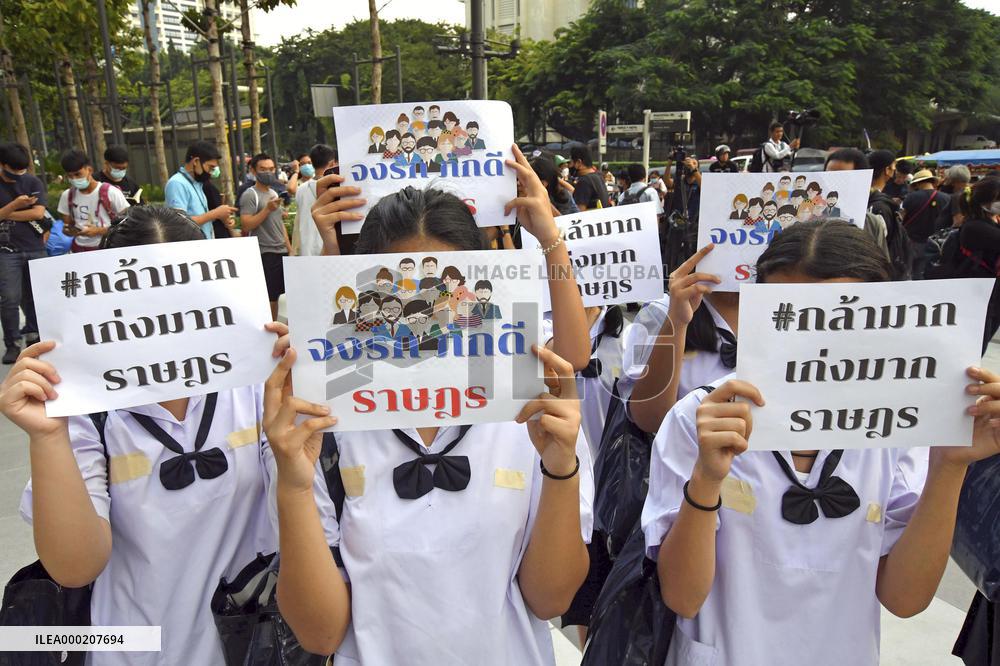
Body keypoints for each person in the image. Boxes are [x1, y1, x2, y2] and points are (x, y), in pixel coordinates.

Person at [274, 145, 593, 663]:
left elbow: (550, 598)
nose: (425, 315)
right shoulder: (323, 425)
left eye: (443, 290)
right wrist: (291, 484)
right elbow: (320, 634)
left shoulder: (532, 414)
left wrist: (561, 470)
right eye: (405, 295)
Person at [643, 218, 1000, 666]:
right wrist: (707, 479)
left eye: (841, 319)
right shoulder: (704, 418)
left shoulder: (897, 428)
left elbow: (905, 599)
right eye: (797, 318)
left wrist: (950, 466)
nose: (817, 343)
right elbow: (682, 595)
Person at [0, 205, 298, 665]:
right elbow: (75, 566)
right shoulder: (85, 408)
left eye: (186, 303)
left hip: (250, 644)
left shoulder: (254, 382)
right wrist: (46, 437)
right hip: (128, 648)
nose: (166, 326)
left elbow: (303, 518)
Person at [0, 142, 48, 364]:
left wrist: (5, 213)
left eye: (23, 169)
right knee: (10, 298)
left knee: (36, 297)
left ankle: (34, 336)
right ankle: (12, 343)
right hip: (6, 251)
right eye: (15, 170)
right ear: (3, 165)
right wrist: (17, 204)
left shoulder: (33, 181)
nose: (20, 174)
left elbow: (38, 213)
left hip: (35, 247)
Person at [239, 153, 292, 319]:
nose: (267, 173)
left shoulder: (274, 194)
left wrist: (289, 248)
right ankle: (271, 333)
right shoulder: (250, 194)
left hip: (281, 250)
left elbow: (279, 225)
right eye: (263, 169)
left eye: (271, 169)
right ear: (253, 170)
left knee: (283, 294)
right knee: (271, 297)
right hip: (266, 251)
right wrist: (267, 209)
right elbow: (246, 225)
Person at [956, 176, 1000, 350]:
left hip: (989, 296)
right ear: (986, 202)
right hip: (977, 297)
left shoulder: (988, 223)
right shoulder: (975, 227)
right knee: (973, 348)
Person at [56, 150, 129, 253]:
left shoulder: (111, 192)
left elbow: (128, 224)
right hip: (79, 251)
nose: (74, 179)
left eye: (78, 174)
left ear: (89, 170)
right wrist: (68, 231)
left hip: (108, 249)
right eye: (70, 176)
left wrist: (99, 231)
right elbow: (67, 225)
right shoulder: (67, 196)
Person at [165, 141, 236, 239]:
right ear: (195, 161)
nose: (211, 173)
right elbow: (179, 222)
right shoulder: (177, 183)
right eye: (210, 167)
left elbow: (199, 217)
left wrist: (222, 217)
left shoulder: (197, 183)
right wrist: (215, 213)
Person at [901, 169, 949, 279]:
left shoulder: (911, 197)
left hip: (912, 241)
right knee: (923, 274)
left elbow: (902, 218)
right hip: (934, 244)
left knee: (907, 272)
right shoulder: (946, 198)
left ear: (917, 183)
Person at [292, 144, 337, 257]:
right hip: (330, 248)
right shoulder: (337, 187)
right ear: (332, 163)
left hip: (306, 248)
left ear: (312, 163)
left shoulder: (301, 189)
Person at [570, 146, 610, 211]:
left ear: (578, 162)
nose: (570, 166)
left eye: (571, 162)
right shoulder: (598, 176)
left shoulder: (584, 181)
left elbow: (579, 212)